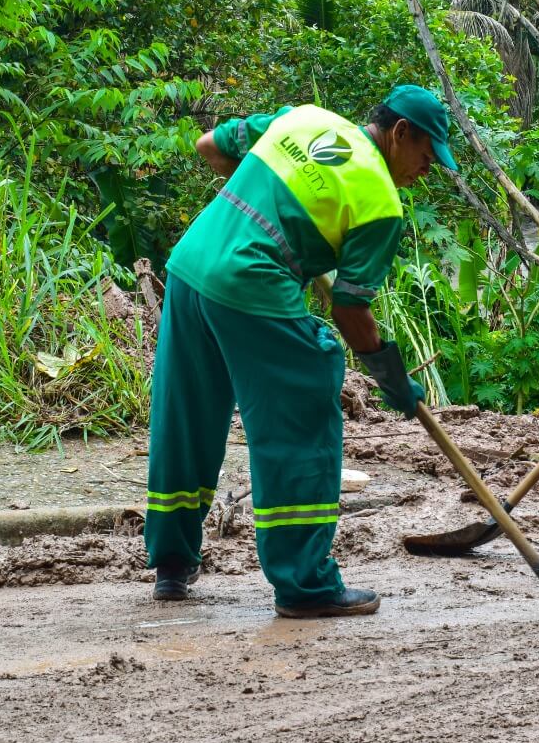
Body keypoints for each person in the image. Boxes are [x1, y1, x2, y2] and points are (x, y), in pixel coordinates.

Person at [147, 84, 458, 617]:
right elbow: (350, 312)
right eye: (427, 157)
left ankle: (172, 566)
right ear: (400, 133)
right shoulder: (380, 204)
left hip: (190, 268)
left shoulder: (303, 118)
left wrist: (262, 206)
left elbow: (208, 146)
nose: (425, 172)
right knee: (304, 416)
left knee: (186, 419)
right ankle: (306, 586)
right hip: (252, 285)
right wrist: (391, 377)